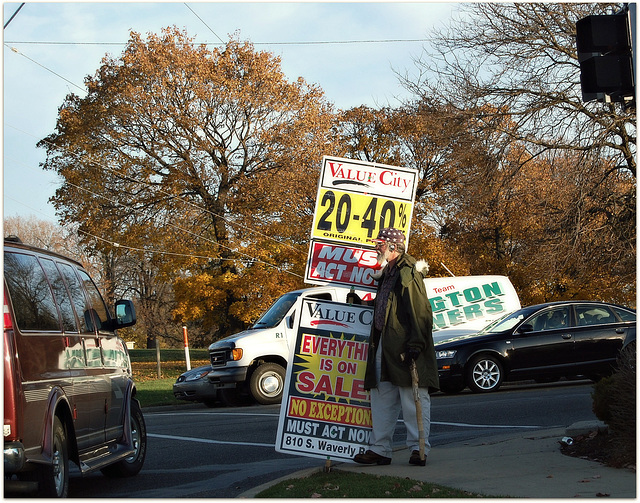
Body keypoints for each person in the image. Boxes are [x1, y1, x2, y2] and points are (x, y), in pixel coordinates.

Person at [353, 227, 439, 467]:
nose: (376, 247)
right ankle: (380, 449)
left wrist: (415, 345)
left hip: (404, 346)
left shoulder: (407, 272)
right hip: (384, 343)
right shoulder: (387, 272)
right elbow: (387, 308)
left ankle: (418, 449)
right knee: (381, 396)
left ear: (393, 247)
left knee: (413, 398)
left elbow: (420, 312)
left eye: (379, 244)